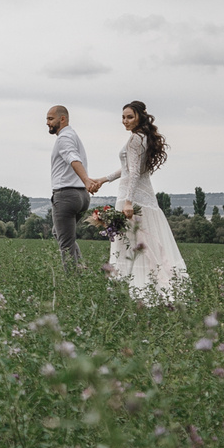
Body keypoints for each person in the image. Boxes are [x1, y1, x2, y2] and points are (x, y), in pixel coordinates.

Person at [79, 100, 188, 305]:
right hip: (143, 198)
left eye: (130, 117)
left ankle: (135, 296)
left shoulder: (135, 139)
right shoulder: (142, 137)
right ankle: (148, 294)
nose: (125, 121)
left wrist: (128, 202)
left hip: (133, 199)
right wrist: (104, 179)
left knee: (129, 247)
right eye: (123, 117)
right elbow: (128, 168)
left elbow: (135, 173)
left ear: (140, 117)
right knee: (142, 248)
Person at [45, 104, 90, 271]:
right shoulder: (72, 135)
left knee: (65, 244)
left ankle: (73, 282)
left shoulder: (64, 138)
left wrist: (86, 180)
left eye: (51, 119)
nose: (48, 123)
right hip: (81, 197)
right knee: (59, 233)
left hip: (66, 196)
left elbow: (72, 158)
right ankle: (81, 267)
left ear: (62, 119)